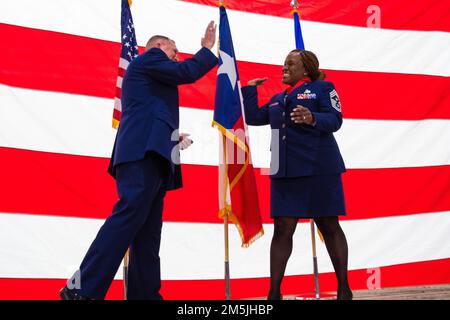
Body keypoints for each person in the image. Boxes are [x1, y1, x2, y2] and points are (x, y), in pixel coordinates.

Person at [59, 21, 218, 300]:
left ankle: (145, 295)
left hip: (152, 151)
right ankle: (80, 290)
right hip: (140, 154)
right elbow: (186, 72)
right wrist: (205, 50)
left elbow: (149, 110)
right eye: (174, 49)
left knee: (147, 232)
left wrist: (170, 137)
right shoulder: (150, 58)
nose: (177, 55)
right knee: (127, 218)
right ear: (158, 46)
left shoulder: (152, 75)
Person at [241, 49, 352, 300]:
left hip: (318, 168)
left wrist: (312, 116)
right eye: (283, 64)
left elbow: (335, 119)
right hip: (285, 170)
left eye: (290, 64)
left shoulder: (323, 88)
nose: (284, 67)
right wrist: (249, 90)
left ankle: (344, 288)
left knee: (329, 225)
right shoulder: (279, 99)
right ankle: (274, 292)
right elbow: (254, 116)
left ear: (306, 69)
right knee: (282, 229)